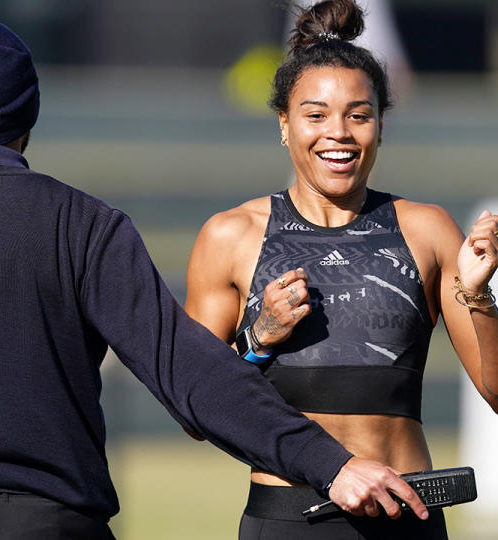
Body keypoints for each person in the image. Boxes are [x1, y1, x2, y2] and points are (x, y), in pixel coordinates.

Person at [0, 15, 429, 539]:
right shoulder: (82, 224)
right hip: (48, 518)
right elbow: (189, 371)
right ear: (28, 112)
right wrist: (330, 464)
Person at [185, 1, 498, 538]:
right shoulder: (232, 235)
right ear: (284, 124)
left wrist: (477, 295)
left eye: (359, 114)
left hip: (409, 513)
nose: (339, 133)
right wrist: (259, 338)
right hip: (289, 519)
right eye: (315, 115)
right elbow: (192, 406)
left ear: (380, 123)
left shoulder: (426, 230)